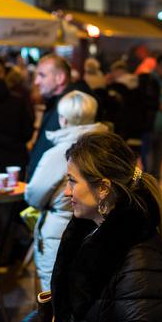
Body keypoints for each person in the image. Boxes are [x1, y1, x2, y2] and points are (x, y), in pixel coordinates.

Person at [1, 131, 162, 322]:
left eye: (72, 181)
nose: (66, 193)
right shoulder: (90, 231)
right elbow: (66, 305)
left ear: (103, 188)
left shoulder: (141, 257)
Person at [25, 91, 107, 291]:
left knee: (55, 296)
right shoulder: (106, 148)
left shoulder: (58, 154)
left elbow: (34, 196)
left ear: (63, 119)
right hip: (101, 229)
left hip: (60, 235)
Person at [28, 55, 88, 179]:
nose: (36, 82)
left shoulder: (72, 109)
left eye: (42, 75)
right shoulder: (58, 103)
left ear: (60, 78)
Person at [102, 60, 144, 142]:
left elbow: (112, 105)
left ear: (119, 71)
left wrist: (107, 85)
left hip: (120, 123)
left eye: (113, 71)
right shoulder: (136, 83)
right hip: (134, 123)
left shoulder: (117, 86)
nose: (112, 74)